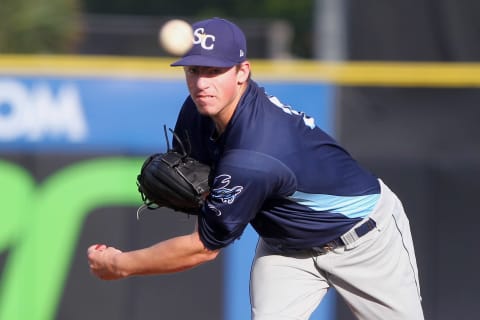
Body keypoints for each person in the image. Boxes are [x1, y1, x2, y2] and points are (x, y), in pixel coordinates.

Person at [87, 17, 424, 319]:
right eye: (194, 70)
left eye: (214, 71)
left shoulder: (257, 151)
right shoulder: (196, 112)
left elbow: (202, 249)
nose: (202, 83)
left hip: (364, 240)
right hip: (286, 247)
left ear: (242, 72)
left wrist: (120, 265)